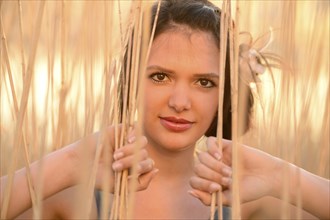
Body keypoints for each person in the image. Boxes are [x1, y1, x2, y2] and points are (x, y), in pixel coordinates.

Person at [0, 0, 327, 219]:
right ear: (129, 79)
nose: (180, 101)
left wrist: (281, 177)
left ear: (224, 94)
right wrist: (70, 163)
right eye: (160, 76)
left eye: (204, 83)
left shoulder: (249, 200)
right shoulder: (75, 194)